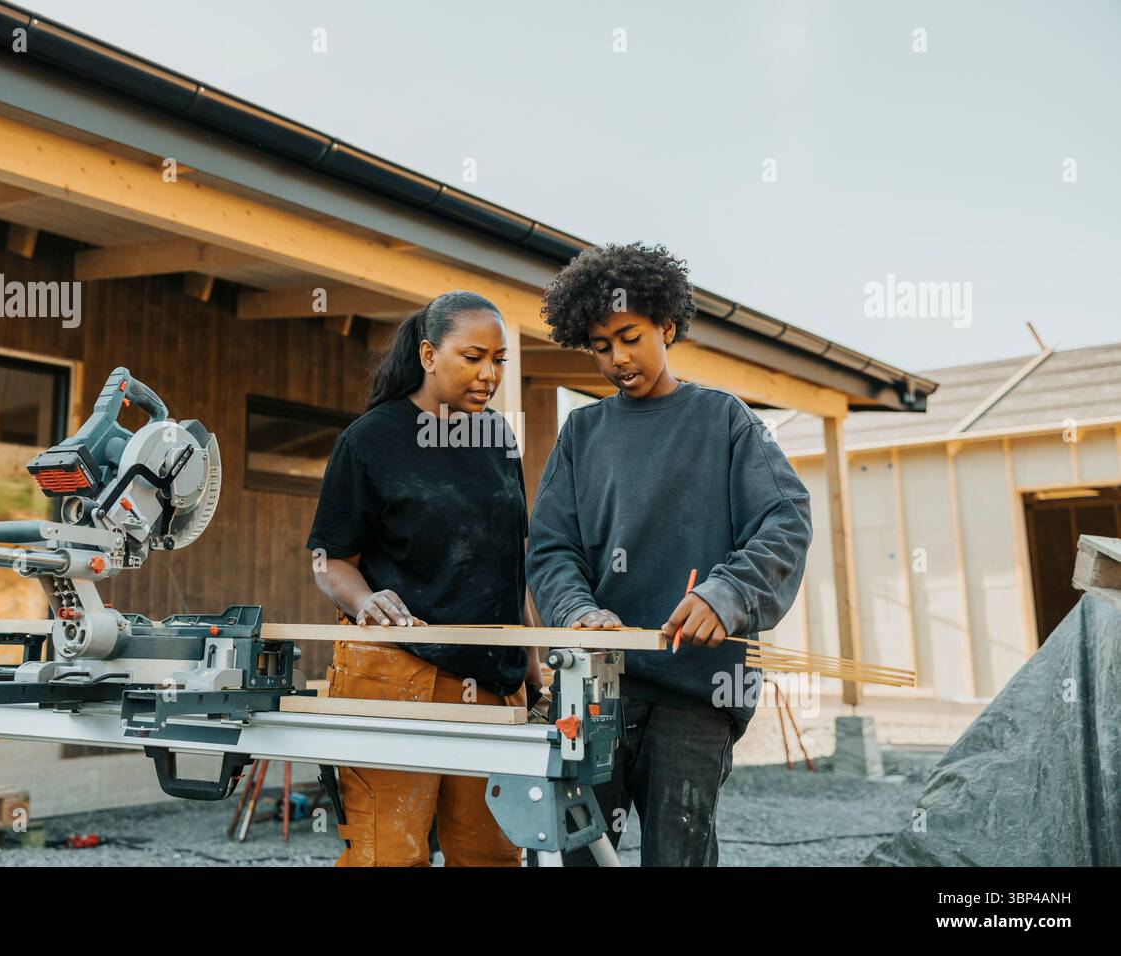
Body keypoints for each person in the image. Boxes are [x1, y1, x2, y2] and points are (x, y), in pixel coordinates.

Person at [526, 242, 813, 866]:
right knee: (576, 855)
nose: (618, 358)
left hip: (697, 690)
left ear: (668, 325)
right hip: (597, 689)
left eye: (630, 336)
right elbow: (550, 549)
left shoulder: (724, 420)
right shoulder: (582, 435)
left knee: (677, 858)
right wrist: (577, 612)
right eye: (600, 346)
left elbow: (785, 520)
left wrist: (728, 594)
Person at [306, 290, 543, 867]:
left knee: (491, 856)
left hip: (492, 679)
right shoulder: (369, 440)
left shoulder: (498, 440)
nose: (489, 374)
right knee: (390, 855)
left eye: (499, 359)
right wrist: (365, 600)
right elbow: (328, 558)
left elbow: (510, 567)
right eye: (473, 356)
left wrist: (533, 672)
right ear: (430, 354)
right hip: (396, 675)